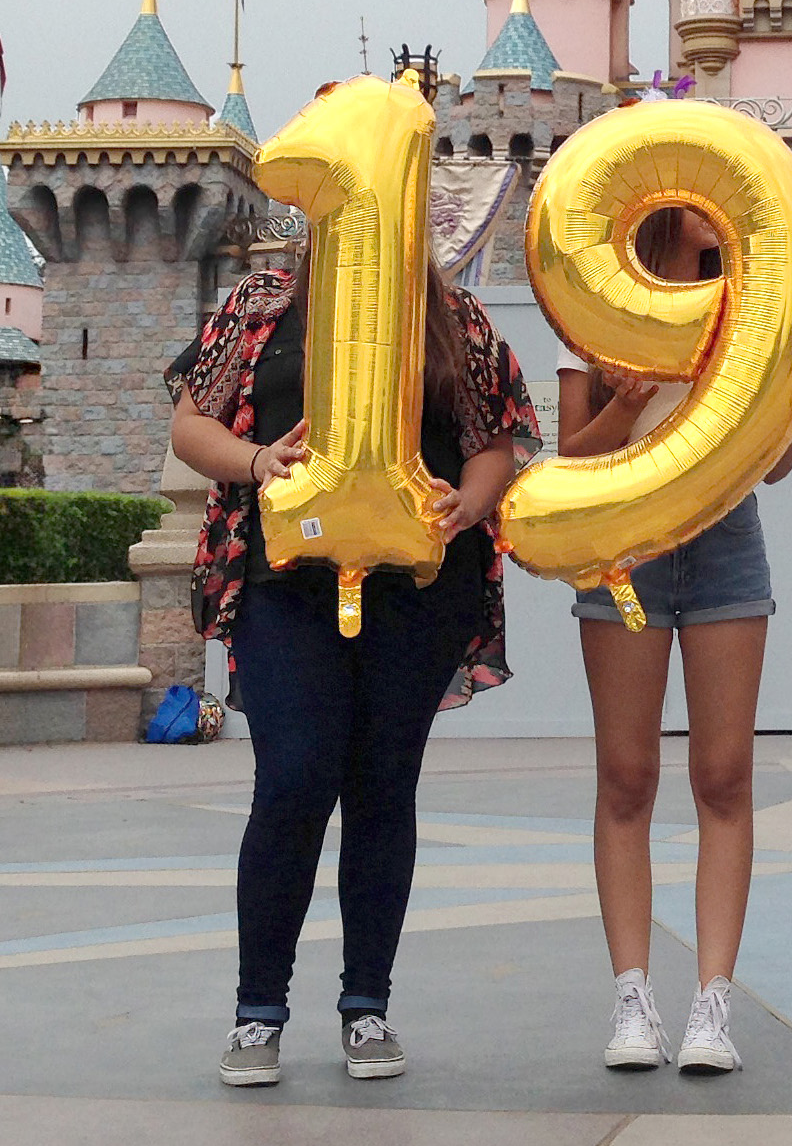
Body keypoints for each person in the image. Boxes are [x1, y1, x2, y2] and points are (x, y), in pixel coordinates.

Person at [170, 245, 533, 1089]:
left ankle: (366, 1006)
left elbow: (495, 442)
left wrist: (467, 504)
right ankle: (258, 1012)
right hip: (287, 582)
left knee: (382, 783)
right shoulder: (264, 305)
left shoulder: (453, 315)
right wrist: (258, 461)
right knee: (293, 779)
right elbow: (191, 426)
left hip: (415, 589)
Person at [557, 204, 792, 1077]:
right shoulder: (593, 299)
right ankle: (633, 998)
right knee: (626, 774)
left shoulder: (744, 302)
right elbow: (570, 459)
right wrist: (625, 403)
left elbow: (777, 464)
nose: (725, 213)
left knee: (723, 774)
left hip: (724, 539)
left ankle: (712, 1004)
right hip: (622, 545)